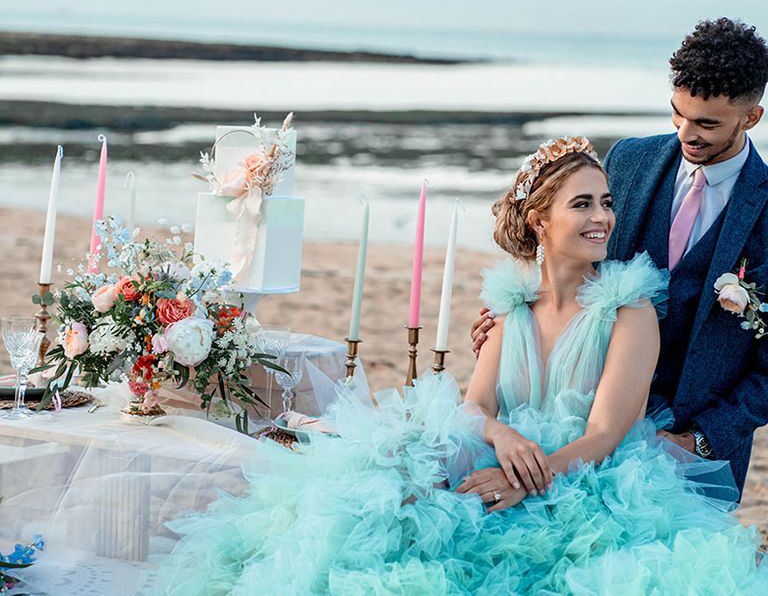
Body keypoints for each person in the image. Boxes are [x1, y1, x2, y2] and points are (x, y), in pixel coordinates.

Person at [156, 137, 768, 595]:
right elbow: (477, 404)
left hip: (587, 475)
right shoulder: (511, 306)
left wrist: (526, 476)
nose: (604, 218)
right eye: (583, 205)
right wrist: (498, 434)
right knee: (388, 493)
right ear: (540, 220)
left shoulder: (630, 310)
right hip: (504, 451)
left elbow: (607, 433)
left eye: (607, 202)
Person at [473, 17, 768, 497]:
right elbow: (578, 266)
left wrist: (703, 439)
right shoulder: (629, 160)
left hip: (690, 459)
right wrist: (511, 331)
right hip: (581, 434)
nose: (685, 133)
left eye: (707, 123)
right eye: (678, 113)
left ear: (750, 117)